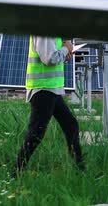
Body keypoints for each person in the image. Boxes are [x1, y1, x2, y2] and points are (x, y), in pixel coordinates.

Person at [15, 36, 84, 175]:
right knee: (36, 133)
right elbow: (49, 59)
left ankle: (80, 169)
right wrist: (66, 49)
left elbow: (54, 57)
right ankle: (16, 173)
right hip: (43, 89)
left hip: (51, 89)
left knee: (71, 125)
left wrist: (65, 54)